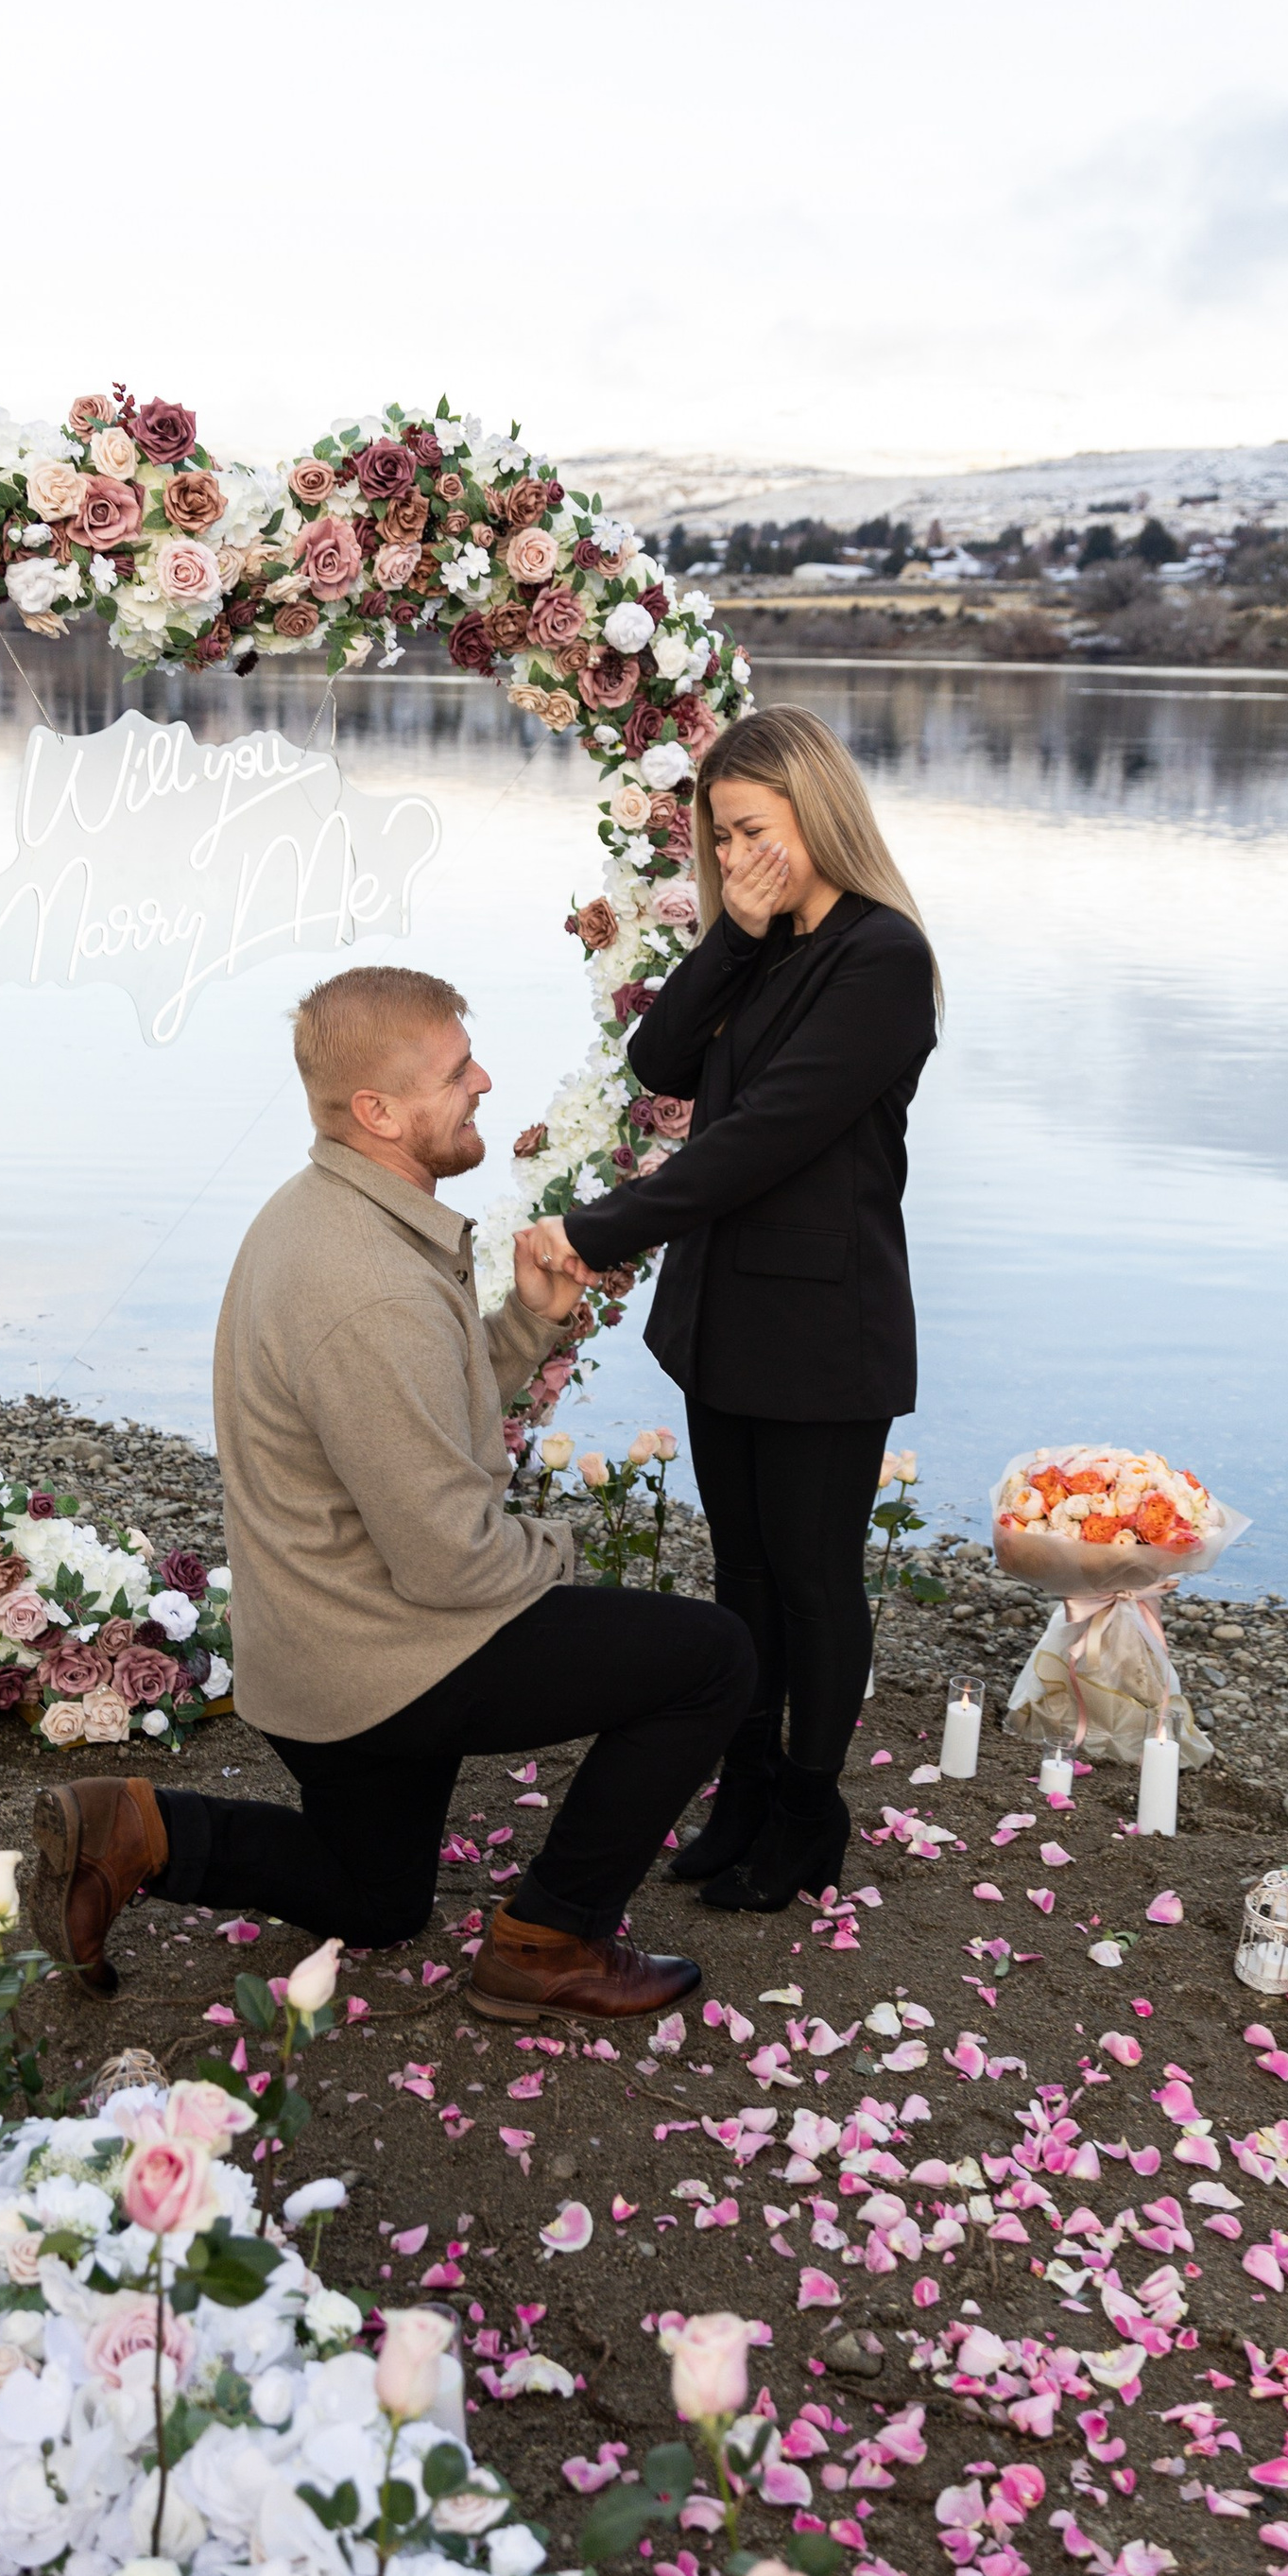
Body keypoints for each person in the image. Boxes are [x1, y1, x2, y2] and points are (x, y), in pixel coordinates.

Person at [24, 963, 754, 2024]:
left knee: (375, 1900)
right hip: (379, 1660)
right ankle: (548, 1941)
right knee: (710, 1659)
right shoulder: (364, 1282)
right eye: (458, 1072)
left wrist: (527, 1324)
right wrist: (559, 1558)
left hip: (320, 1652)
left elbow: (413, 1418)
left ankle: (137, 1830)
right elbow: (452, 1560)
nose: (485, 1081)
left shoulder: (330, 1212)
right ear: (377, 1109)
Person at [531, 706, 938, 1913]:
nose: (736, 855)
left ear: (818, 812)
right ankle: (745, 1787)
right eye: (719, 839)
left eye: (754, 830)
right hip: (725, 1317)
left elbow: (764, 1139)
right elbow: (659, 1064)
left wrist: (593, 1230)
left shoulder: (881, 957)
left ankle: (810, 1809)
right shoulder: (766, 939)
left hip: (824, 1326)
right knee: (743, 1575)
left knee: (814, 1578)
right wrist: (734, 931)